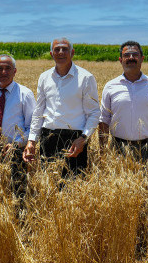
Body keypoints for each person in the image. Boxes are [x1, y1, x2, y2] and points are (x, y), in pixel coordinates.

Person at [98, 41, 148, 189]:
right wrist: (103, 152)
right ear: (120, 60)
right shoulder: (110, 86)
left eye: (135, 54)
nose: (131, 57)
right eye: (126, 55)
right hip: (118, 148)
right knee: (121, 193)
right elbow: (104, 121)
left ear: (142, 58)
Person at [23, 38, 100, 180]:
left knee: (73, 187)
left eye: (64, 49)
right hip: (48, 138)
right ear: (52, 54)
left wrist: (83, 139)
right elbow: (39, 112)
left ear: (72, 52)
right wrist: (32, 140)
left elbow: (94, 113)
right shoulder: (44, 77)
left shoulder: (85, 78)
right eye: (57, 49)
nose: (61, 52)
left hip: (74, 142)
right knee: (49, 186)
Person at [0, 54, 35, 207]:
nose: (3, 72)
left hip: (15, 152)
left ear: (15, 71)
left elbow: (33, 127)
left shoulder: (25, 94)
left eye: (8, 68)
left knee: (17, 194)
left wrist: (16, 144)